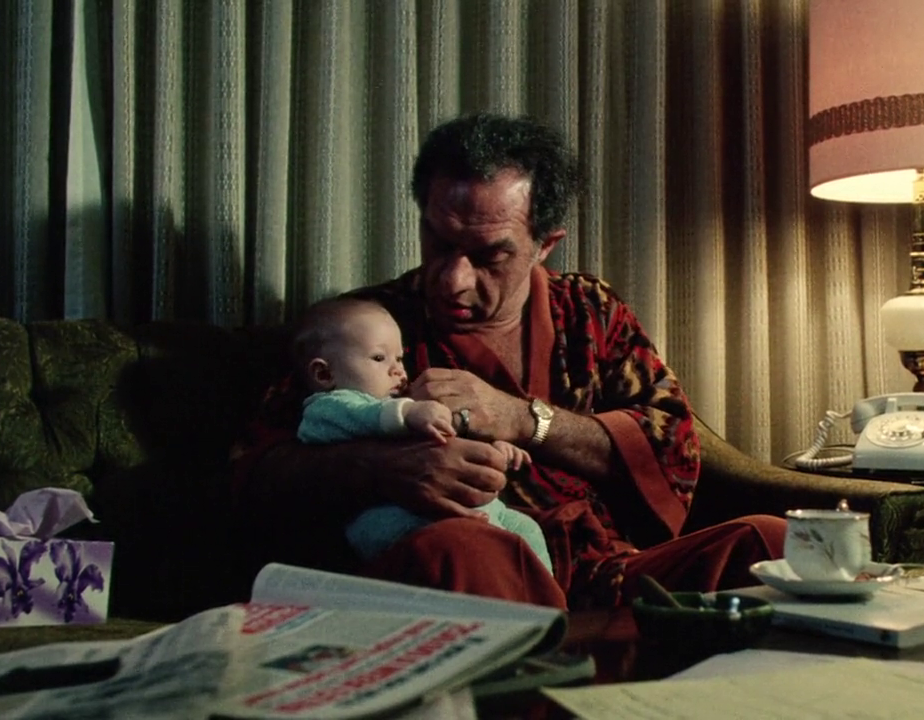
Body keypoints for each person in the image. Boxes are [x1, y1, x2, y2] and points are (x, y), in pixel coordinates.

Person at [232, 112, 785, 610]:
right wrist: (381, 470)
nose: (453, 280)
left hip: (603, 574)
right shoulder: (366, 330)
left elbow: (673, 449)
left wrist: (523, 419)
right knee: (466, 549)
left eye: (489, 255)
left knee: (773, 541)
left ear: (545, 244)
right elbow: (253, 471)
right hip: (458, 565)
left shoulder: (590, 311)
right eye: (439, 243)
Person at [291, 295, 553, 571]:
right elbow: (367, 416)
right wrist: (409, 413)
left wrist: (492, 451)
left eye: (399, 358)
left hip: (474, 511)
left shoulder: (403, 406)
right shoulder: (328, 408)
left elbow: (447, 443)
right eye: (379, 358)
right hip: (391, 518)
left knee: (527, 528)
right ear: (324, 374)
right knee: (462, 544)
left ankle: (546, 598)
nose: (398, 370)